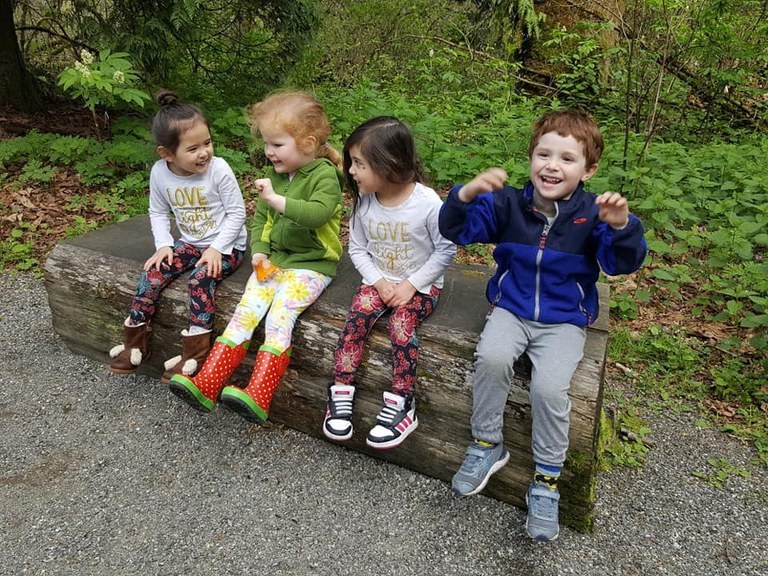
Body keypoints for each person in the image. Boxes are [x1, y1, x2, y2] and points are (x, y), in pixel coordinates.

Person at [438, 108, 647, 541]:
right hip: (511, 308)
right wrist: (465, 194)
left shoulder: (592, 214)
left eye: (567, 159)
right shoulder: (509, 204)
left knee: (549, 388)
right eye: (543, 154)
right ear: (531, 158)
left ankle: (547, 480)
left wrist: (622, 225)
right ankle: (486, 444)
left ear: (589, 169)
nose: (552, 166)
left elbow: (620, 262)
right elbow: (456, 231)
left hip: (563, 320)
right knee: (492, 357)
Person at [169, 91, 344, 423]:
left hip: (311, 265)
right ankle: (208, 383)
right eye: (266, 143)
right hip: (274, 261)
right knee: (245, 312)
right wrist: (259, 250)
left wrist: (277, 200)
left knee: (280, 316)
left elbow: (315, 215)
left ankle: (259, 393)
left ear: (307, 142)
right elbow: (261, 218)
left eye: (277, 144)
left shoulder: (324, 176)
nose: (268, 151)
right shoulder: (276, 175)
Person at [323, 117, 456, 449]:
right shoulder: (366, 200)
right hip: (380, 279)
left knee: (400, 324)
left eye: (359, 164)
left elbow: (445, 250)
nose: (351, 171)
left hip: (421, 285)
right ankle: (340, 392)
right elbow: (357, 248)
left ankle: (402, 402)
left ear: (391, 163)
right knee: (357, 318)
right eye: (352, 162)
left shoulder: (426, 204)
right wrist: (379, 282)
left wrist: (411, 285)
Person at [108, 90, 247, 382]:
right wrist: (164, 245)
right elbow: (157, 212)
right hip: (190, 243)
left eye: (207, 143)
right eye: (193, 148)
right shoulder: (160, 172)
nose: (205, 153)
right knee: (153, 272)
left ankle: (194, 355)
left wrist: (218, 249)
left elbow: (237, 214)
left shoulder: (218, 170)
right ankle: (134, 344)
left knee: (200, 280)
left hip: (228, 246)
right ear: (167, 153)